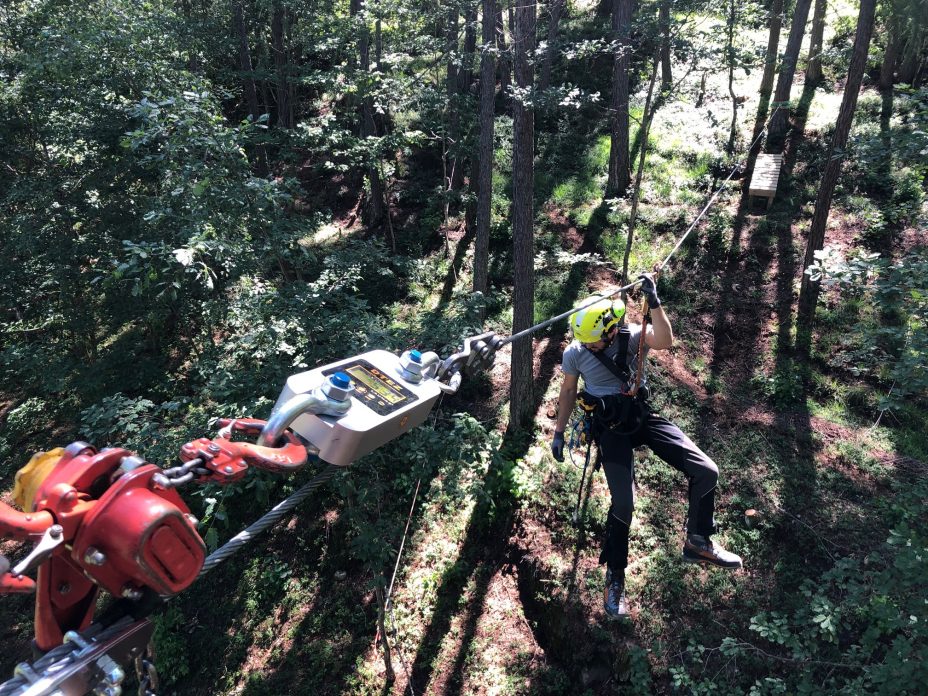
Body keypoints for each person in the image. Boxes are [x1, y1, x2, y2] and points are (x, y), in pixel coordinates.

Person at [550, 274, 742, 619]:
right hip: (611, 429)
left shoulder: (634, 337)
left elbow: (666, 341)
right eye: (585, 341)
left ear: (610, 330)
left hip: (641, 416)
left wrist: (654, 302)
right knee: (623, 503)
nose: (588, 346)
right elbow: (567, 391)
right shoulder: (576, 353)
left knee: (706, 470)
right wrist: (559, 431)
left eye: (594, 341)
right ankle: (614, 581)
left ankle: (698, 541)